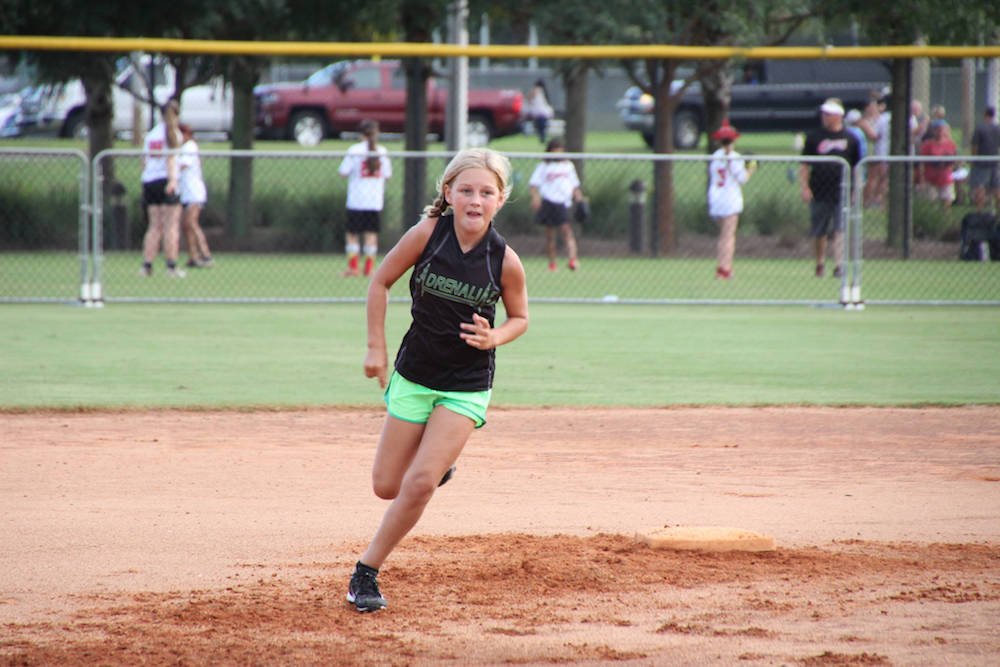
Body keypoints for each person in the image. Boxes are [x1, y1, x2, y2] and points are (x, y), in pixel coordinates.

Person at [347, 148, 529, 613]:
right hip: (415, 373)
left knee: (419, 483)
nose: (475, 199)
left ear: (500, 199)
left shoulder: (504, 259)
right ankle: (437, 465)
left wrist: (496, 338)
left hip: (466, 384)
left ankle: (366, 571)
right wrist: (375, 346)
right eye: (466, 190)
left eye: (486, 192)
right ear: (448, 193)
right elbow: (379, 282)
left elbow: (521, 317)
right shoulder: (428, 234)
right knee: (387, 485)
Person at [799, 97, 862, 279]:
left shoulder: (851, 138)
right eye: (824, 114)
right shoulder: (814, 137)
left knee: (840, 229)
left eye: (828, 114)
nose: (824, 117)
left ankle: (839, 265)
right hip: (818, 190)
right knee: (819, 230)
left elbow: (857, 166)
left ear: (838, 116)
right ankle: (820, 263)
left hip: (841, 190)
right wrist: (805, 187)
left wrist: (856, 190)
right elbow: (804, 165)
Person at [339, 119, 392, 277]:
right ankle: (369, 269)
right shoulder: (382, 151)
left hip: (356, 200)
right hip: (374, 201)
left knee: (352, 234)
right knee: (371, 235)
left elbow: (343, 171)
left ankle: (353, 267)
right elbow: (388, 175)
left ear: (360, 134)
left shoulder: (354, 150)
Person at [139, 99, 184, 278]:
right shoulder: (174, 134)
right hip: (166, 181)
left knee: (154, 226)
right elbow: (171, 160)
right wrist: (173, 181)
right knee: (170, 226)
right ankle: (171, 266)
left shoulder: (151, 135)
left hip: (149, 181)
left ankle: (147, 265)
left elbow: (143, 162)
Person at [707, 119, 755, 280]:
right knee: (728, 236)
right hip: (730, 199)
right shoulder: (735, 157)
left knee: (723, 235)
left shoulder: (715, 156)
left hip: (716, 198)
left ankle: (722, 267)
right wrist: (751, 169)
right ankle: (725, 268)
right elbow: (742, 179)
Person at [529, 137, 583, 272]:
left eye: (560, 151)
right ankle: (552, 263)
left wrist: (579, 198)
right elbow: (534, 185)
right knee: (550, 235)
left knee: (567, 232)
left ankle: (573, 260)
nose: (557, 154)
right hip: (548, 202)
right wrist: (536, 199)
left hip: (563, 203)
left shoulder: (568, 166)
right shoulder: (544, 166)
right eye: (554, 151)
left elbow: (575, 185)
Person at [177, 123, 214, 268]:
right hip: (185, 192)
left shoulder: (190, 146)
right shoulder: (181, 148)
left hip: (194, 192)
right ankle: (193, 256)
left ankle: (205, 254)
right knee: (186, 225)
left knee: (191, 223)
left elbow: (182, 165)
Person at [917, 122, 957, 212]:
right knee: (932, 201)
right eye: (937, 130)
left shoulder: (950, 144)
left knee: (947, 199)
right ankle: (934, 217)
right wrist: (922, 179)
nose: (939, 132)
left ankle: (945, 216)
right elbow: (922, 163)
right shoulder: (927, 145)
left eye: (941, 129)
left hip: (945, 177)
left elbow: (954, 160)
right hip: (931, 178)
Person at [969, 106, 1000, 213]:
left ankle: (979, 211)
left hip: (981, 163)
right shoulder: (997, 128)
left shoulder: (979, 128)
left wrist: (973, 159)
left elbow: (975, 146)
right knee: (997, 188)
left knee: (980, 187)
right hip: (995, 162)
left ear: (985, 114)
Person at [526, 79, 554, 144]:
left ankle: (542, 140)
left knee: (540, 128)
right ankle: (542, 139)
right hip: (545, 113)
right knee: (542, 129)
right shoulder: (544, 92)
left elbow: (529, 97)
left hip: (539, 113)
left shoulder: (537, 90)